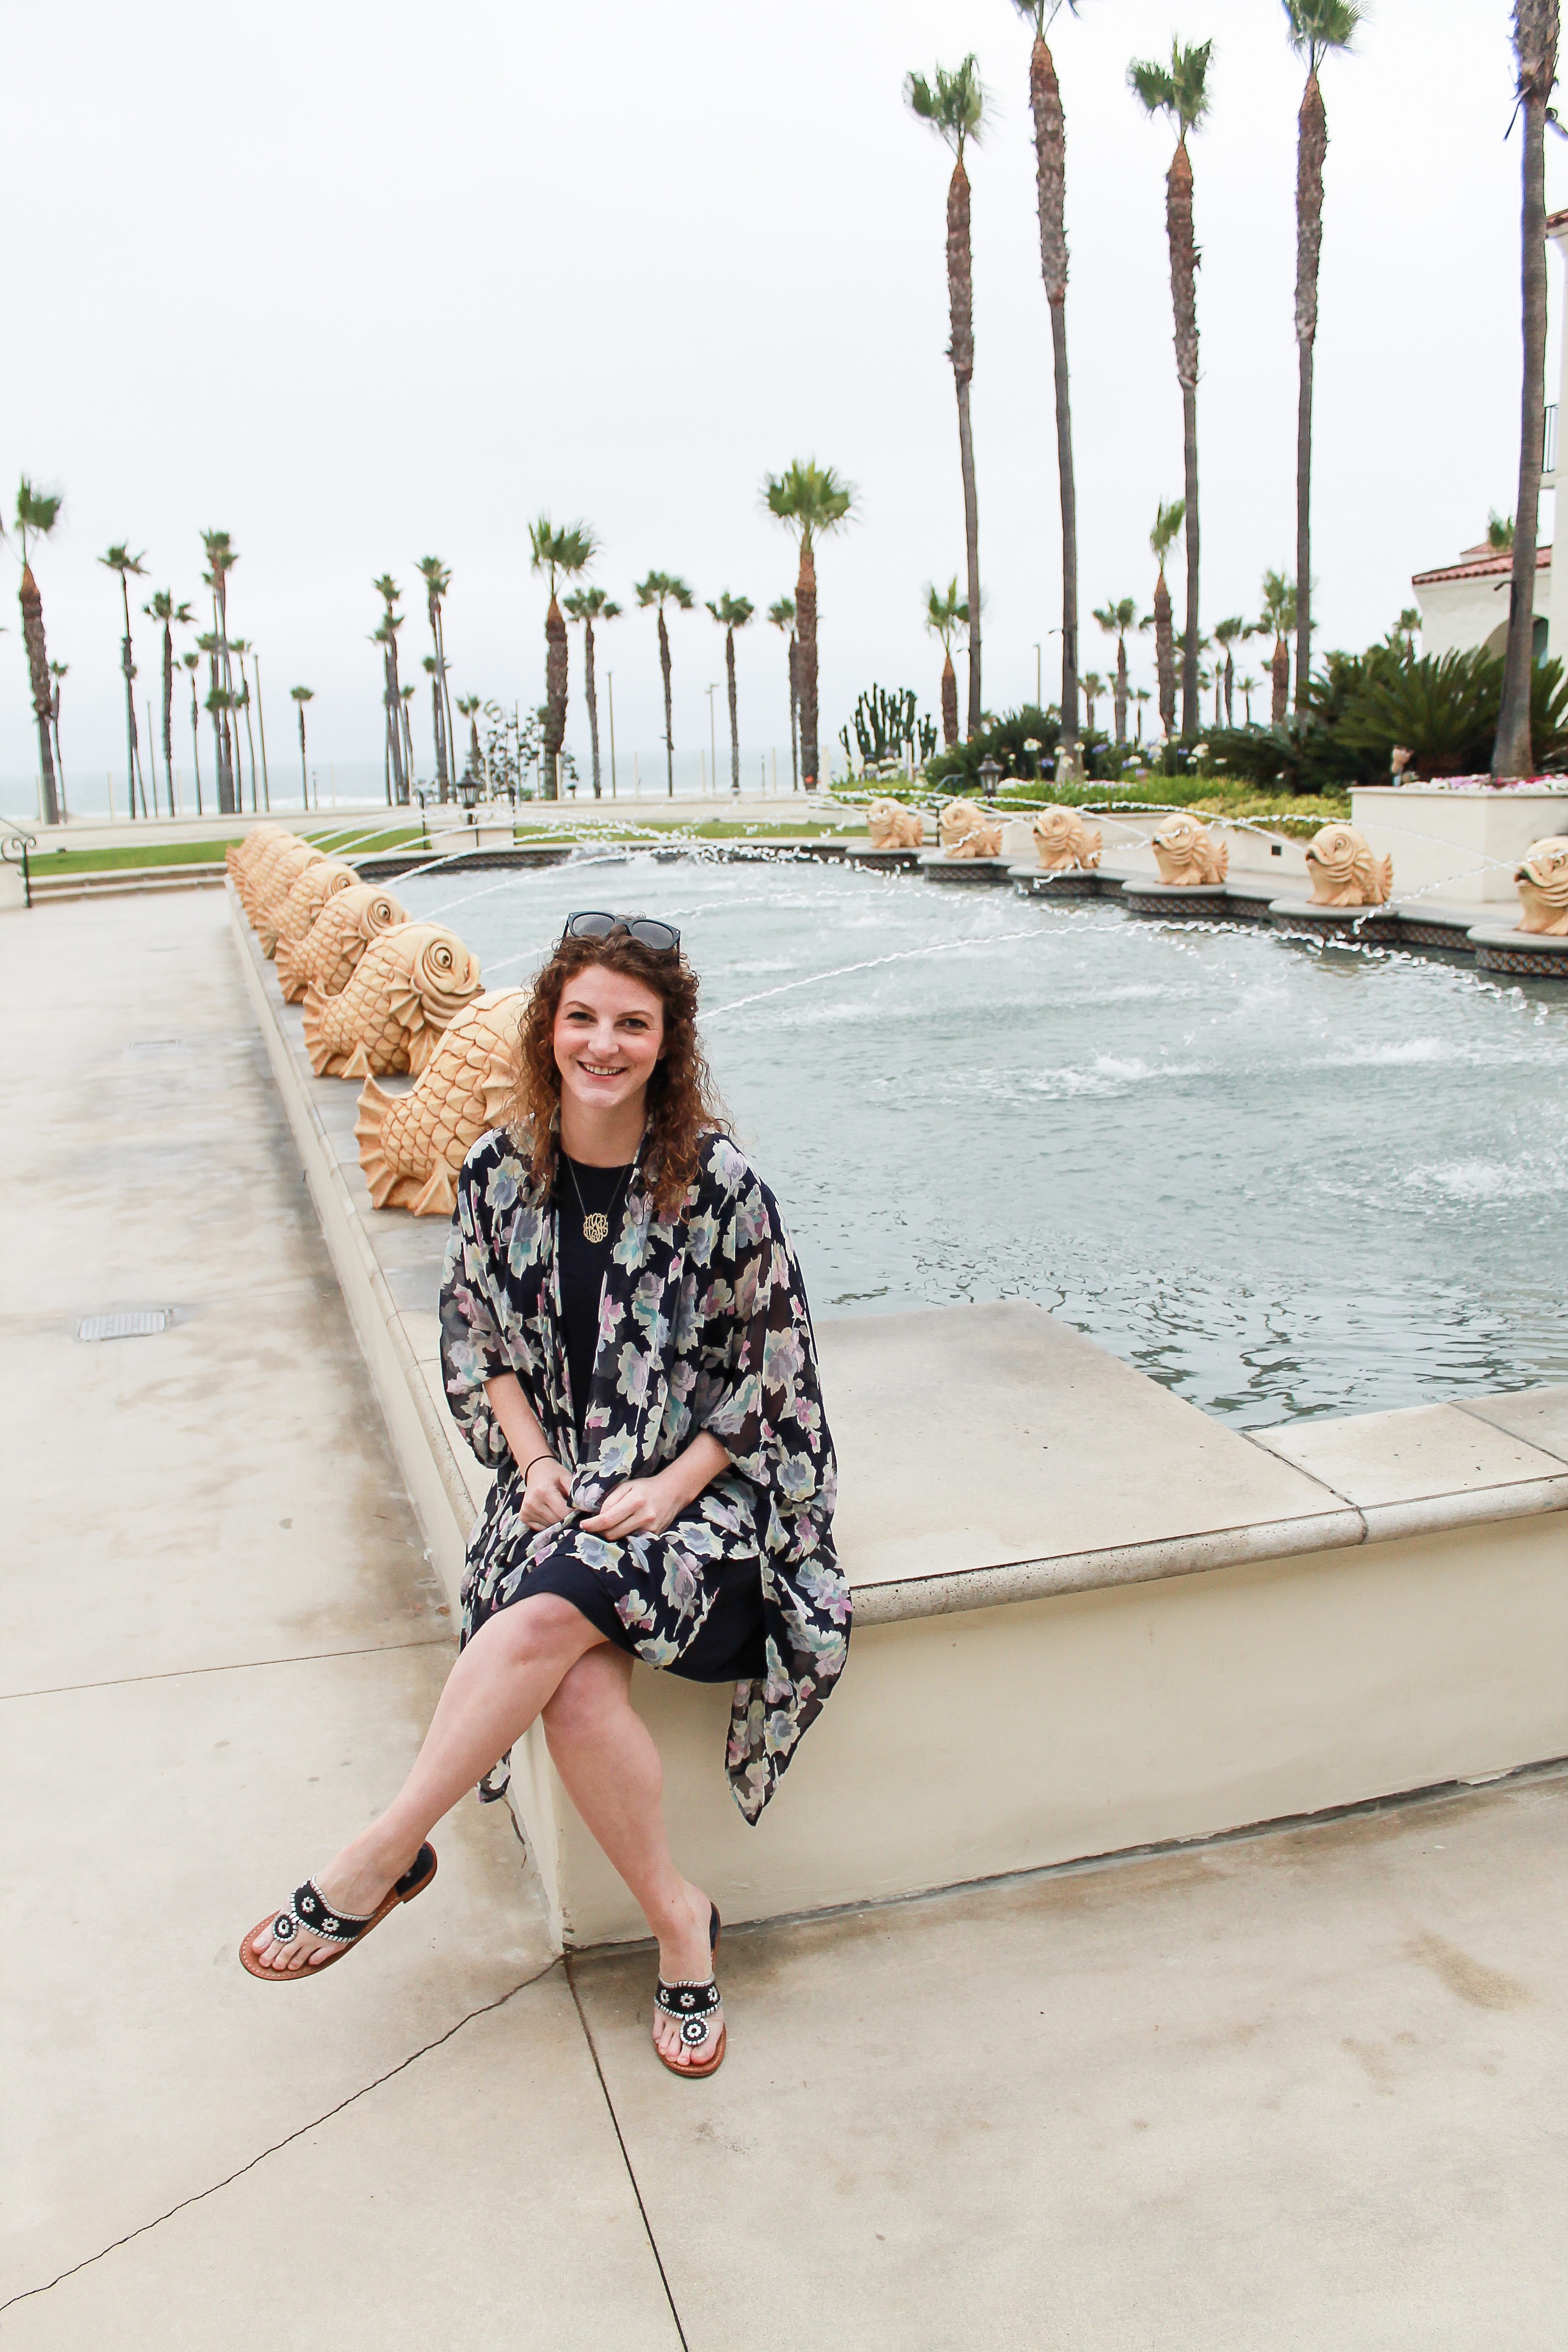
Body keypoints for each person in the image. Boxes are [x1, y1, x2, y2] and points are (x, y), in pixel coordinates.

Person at [242, 910, 850, 2078]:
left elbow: (778, 1375)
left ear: (668, 1045)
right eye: (583, 1018)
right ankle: (681, 1926)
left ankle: (382, 1852)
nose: (603, 1044)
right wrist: (531, 1466)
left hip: (706, 1509)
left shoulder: (718, 1187)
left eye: (633, 1024)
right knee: (570, 1691)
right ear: (548, 1027)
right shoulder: (496, 1171)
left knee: (543, 1614)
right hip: (557, 1488)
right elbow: (478, 1348)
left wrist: (669, 1489)